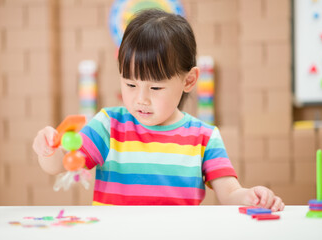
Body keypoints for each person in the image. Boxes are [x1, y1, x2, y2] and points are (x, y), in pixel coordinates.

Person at [33, 9, 285, 210]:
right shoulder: (109, 125)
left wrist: (252, 196)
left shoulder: (204, 138)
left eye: (155, 88)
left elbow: (230, 193)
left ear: (188, 80)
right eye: (130, 84)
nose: (140, 99)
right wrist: (47, 150)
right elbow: (59, 164)